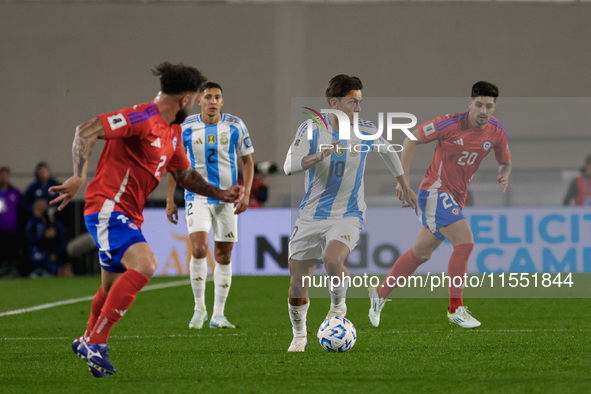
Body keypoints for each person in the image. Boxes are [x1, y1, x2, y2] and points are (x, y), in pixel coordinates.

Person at [49, 63, 243, 378]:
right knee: (146, 264)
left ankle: (87, 338)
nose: (194, 104)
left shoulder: (172, 132)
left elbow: (185, 175)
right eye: (194, 99)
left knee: (110, 288)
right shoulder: (142, 117)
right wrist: (78, 176)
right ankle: (97, 343)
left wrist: (221, 194)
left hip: (128, 215)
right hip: (108, 207)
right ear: (183, 99)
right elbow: (86, 130)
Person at [283, 74, 417, 352]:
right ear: (334, 103)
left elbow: (389, 152)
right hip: (310, 215)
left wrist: (405, 185)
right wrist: (316, 157)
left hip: (349, 213)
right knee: (298, 281)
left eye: (359, 103)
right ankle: (299, 336)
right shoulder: (311, 129)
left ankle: (337, 307)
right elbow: (289, 166)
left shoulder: (365, 129)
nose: (358, 109)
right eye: (352, 103)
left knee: (332, 260)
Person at [368, 81, 512, 329]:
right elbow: (411, 138)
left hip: (457, 196)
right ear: (470, 103)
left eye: (488, 106)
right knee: (465, 242)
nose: (483, 111)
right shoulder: (449, 124)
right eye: (478, 104)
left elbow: (504, 160)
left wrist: (504, 173)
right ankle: (455, 309)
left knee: (420, 254)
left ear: (494, 107)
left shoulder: (496, 131)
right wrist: (404, 182)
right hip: (434, 190)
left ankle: (379, 294)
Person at [166, 82, 254, 330]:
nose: (213, 101)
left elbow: (248, 162)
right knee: (199, 248)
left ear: (222, 102)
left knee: (223, 255)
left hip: (227, 198)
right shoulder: (185, 128)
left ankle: (218, 314)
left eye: (217, 97)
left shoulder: (236, 126)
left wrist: (245, 193)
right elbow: (175, 166)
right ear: (199, 101)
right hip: (197, 197)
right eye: (208, 97)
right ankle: (198, 308)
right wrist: (170, 199)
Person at [25, 198, 69, 277]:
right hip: (37, 251)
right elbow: (29, 240)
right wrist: (44, 236)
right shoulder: (32, 223)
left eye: (43, 209)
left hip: (53, 252)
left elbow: (62, 240)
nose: (41, 211)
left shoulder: (55, 223)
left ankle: (61, 270)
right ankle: (57, 271)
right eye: (39, 209)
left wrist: (56, 253)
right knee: (41, 258)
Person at [0, 166, 22, 277]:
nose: (4, 178)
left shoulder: (15, 192)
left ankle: (12, 270)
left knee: (12, 251)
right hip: (0, 230)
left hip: (12, 229)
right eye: (2, 176)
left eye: (6, 176)